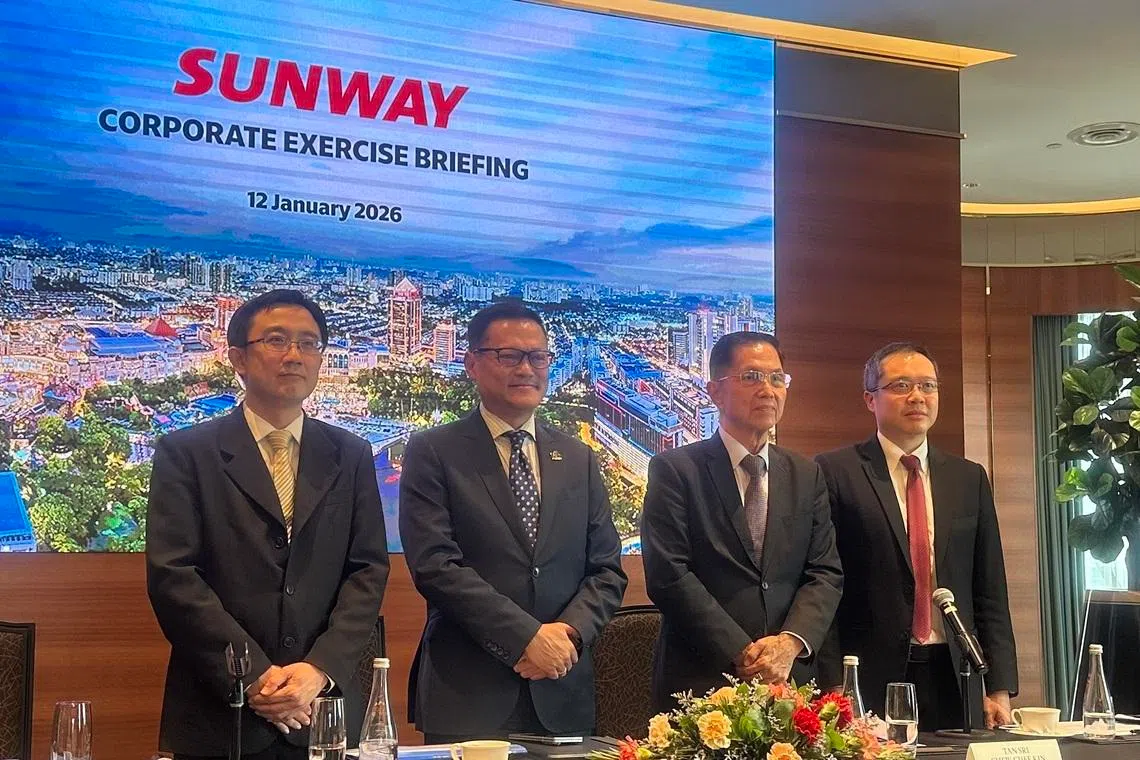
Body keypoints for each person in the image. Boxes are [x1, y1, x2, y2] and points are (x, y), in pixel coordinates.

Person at [146, 289, 390, 759]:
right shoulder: (187, 453)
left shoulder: (352, 454)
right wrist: (256, 676)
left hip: (323, 709)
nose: (295, 356)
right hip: (222, 711)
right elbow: (174, 579)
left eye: (309, 343)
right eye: (276, 340)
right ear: (237, 358)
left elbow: (367, 571)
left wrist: (318, 670)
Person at [400, 301, 627, 743]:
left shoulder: (578, 458)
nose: (527, 369)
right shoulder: (434, 451)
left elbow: (607, 570)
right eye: (509, 356)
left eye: (538, 357)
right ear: (472, 364)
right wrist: (526, 637)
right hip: (468, 693)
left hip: (562, 689)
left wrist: (567, 636)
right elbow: (435, 566)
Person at [816, 342, 1017, 731]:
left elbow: (990, 589)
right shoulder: (834, 472)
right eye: (901, 385)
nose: (917, 397)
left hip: (956, 674)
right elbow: (824, 585)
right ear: (869, 399)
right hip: (868, 674)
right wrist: (830, 682)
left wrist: (999, 686)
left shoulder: (968, 477)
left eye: (928, 385)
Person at [642, 331, 842, 710]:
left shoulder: (805, 473)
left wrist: (790, 642)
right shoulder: (676, 470)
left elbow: (825, 572)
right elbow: (669, 574)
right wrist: (743, 651)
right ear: (714, 391)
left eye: (777, 378)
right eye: (751, 377)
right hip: (702, 679)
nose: (767, 390)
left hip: (789, 682)